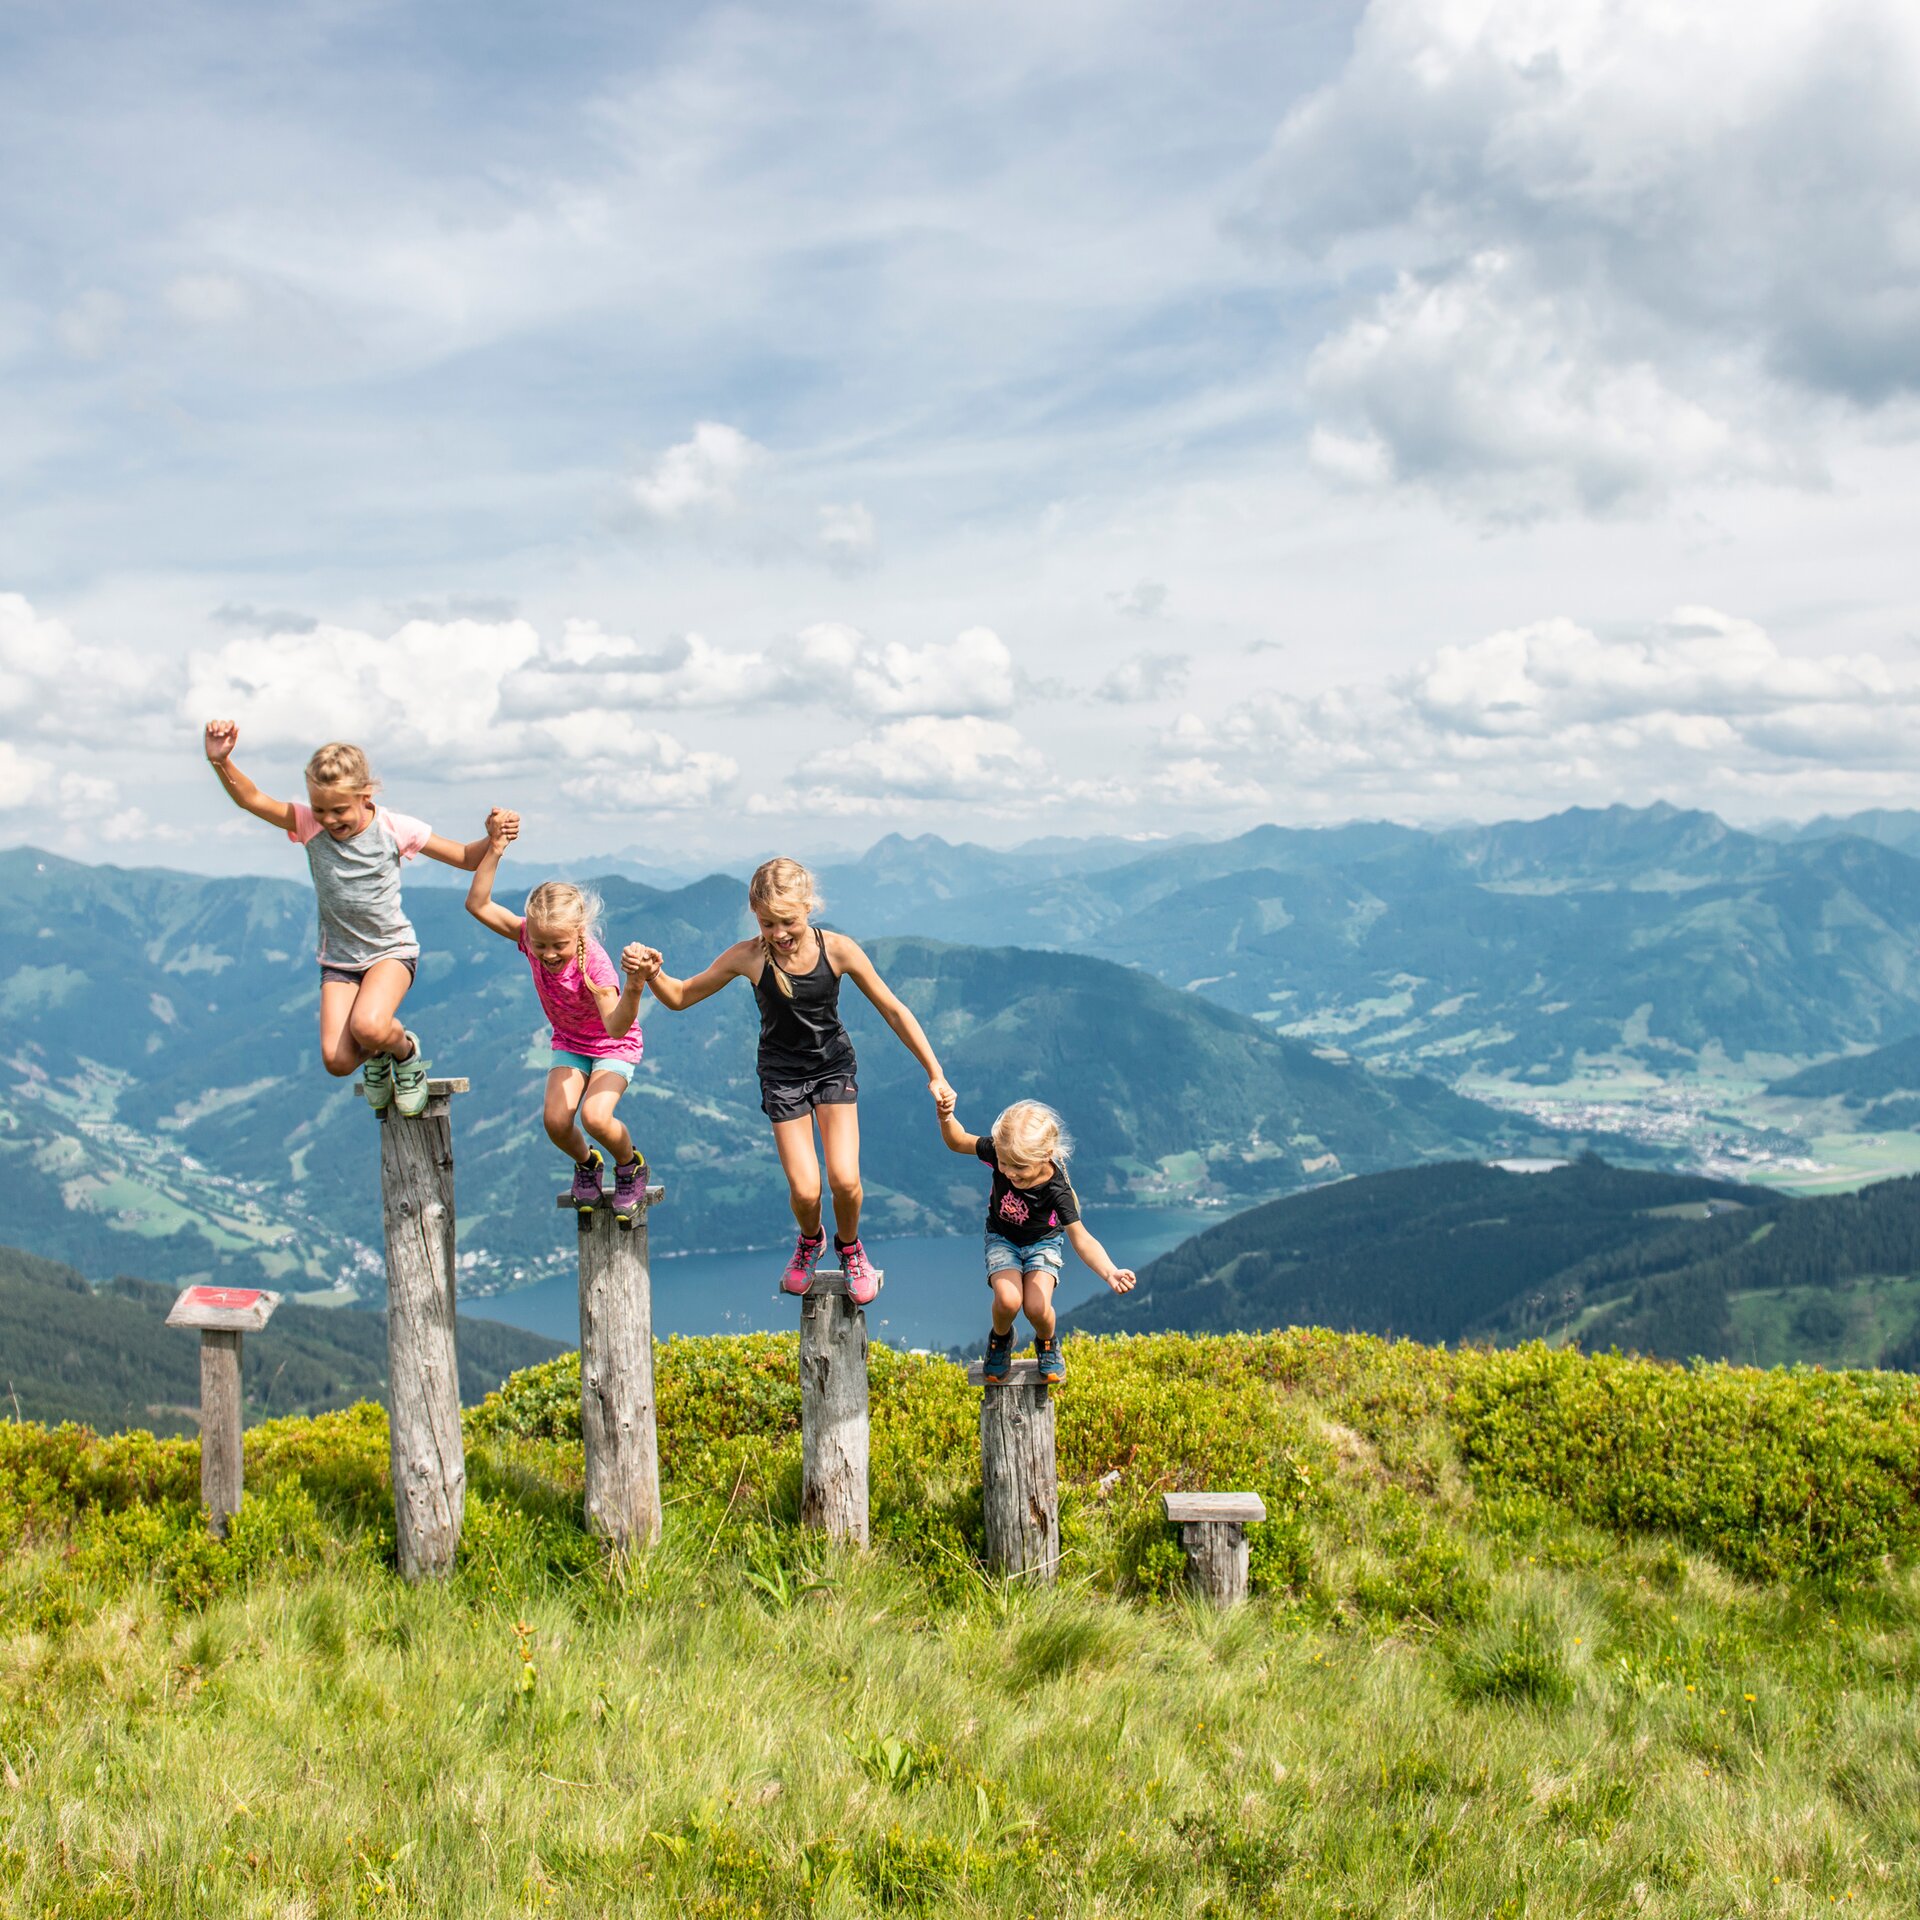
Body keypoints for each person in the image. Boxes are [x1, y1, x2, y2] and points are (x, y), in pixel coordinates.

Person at [637, 856, 951, 1302]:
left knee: (845, 1181)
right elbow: (681, 996)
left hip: (833, 1069)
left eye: (788, 922)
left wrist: (934, 1072)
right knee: (805, 1191)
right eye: (768, 924)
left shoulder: (837, 949)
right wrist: (653, 974)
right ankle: (810, 1241)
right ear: (755, 918)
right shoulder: (747, 957)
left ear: (808, 908)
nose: (779, 934)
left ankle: (850, 1247)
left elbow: (894, 1010)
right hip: (782, 1078)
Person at [202, 721, 495, 1117]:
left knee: (370, 1025)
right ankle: (377, 1054)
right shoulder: (307, 824)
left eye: (339, 809)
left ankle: (404, 1053)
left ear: (365, 795)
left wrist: (493, 837)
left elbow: (465, 857)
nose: (328, 819)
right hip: (339, 960)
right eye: (319, 809)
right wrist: (221, 762)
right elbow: (251, 800)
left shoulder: (393, 827)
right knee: (338, 1061)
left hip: (390, 952)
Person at [465, 815, 652, 1220]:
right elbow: (477, 904)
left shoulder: (596, 966)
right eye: (541, 943)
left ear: (580, 931)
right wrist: (495, 847)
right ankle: (588, 1164)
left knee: (596, 1117)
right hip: (570, 1042)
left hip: (613, 1045)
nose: (548, 954)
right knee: (554, 1121)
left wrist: (634, 986)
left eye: (559, 945)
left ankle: (629, 1164)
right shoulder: (527, 938)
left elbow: (616, 1026)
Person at [935, 1093, 1136, 1384]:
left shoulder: (1058, 1190)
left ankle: (1047, 1342)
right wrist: (945, 1117)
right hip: (1002, 1237)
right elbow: (957, 1141)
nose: (1009, 1173)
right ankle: (1001, 1339)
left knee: (1037, 1308)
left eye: (1020, 1168)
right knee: (1007, 1300)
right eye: (1004, 1164)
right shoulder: (1002, 1150)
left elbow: (1082, 1239)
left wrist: (1110, 1272)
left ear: (1044, 1156)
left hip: (1043, 1243)